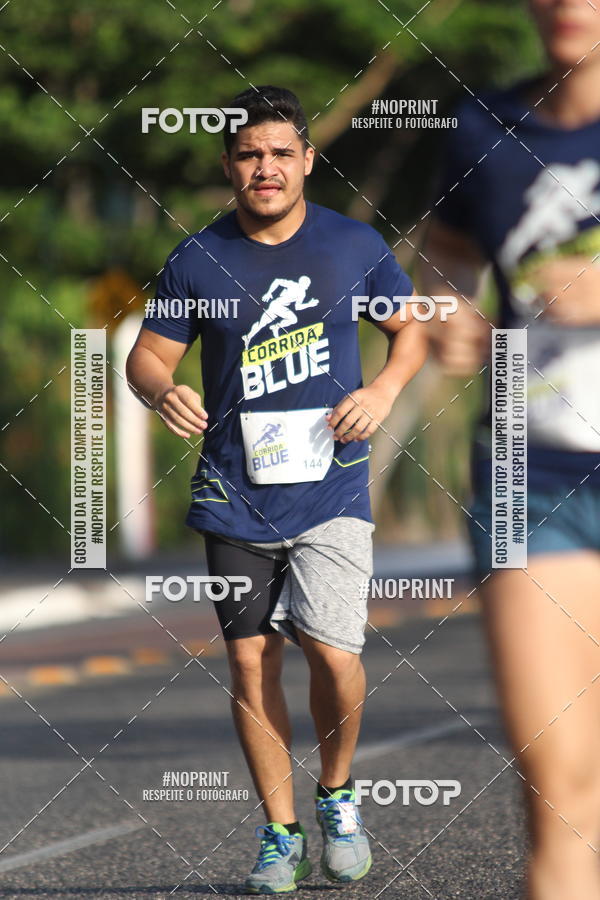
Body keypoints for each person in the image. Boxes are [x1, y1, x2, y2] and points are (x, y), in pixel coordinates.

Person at [126, 85, 425, 893]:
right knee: (252, 663)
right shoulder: (198, 257)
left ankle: (337, 793)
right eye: (250, 155)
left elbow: (409, 330)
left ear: (306, 160)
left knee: (334, 651)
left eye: (281, 153)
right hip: (234, 491)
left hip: (332, 485)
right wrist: (162, 390)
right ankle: (279, 832)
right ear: (229, 164)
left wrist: (385, 393)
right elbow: (147, 357)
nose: (266, 168)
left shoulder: (353, 246)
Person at [419, 2, 600, 897]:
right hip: (536, 475)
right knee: (563, 802)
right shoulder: (485, 129)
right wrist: (448, 314)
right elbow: (444, 256)